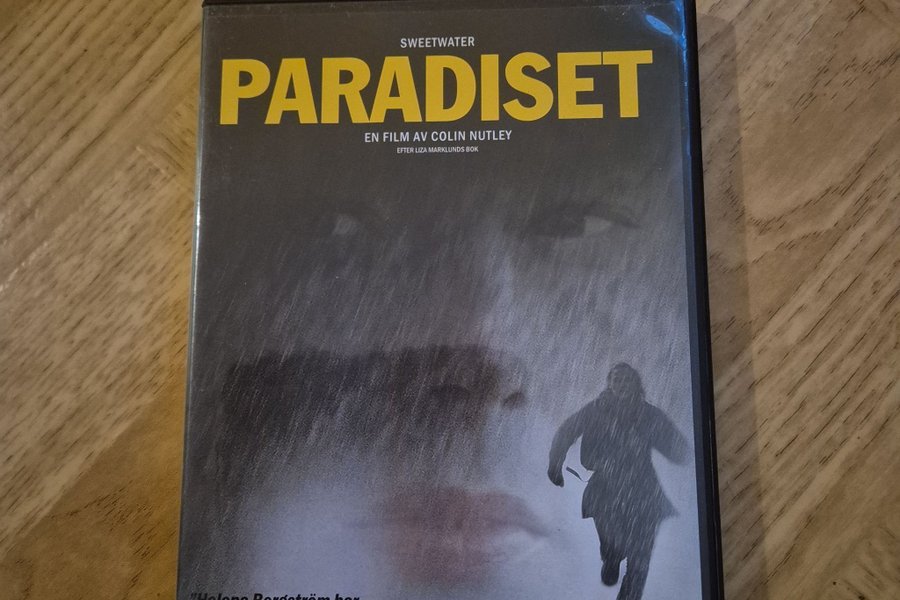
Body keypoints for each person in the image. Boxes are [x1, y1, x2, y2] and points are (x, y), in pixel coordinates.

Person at [548, 363, 690, 599]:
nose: (622, 384)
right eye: (617, 379)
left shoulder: (649, 415)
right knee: (613, 542)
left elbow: (676, 446)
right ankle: (611, 556)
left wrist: (694, 458)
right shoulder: (595, 411)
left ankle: (629, 594)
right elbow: (566, 431)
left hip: (644, 492)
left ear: (636, 384)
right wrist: (555, 463)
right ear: (609, 384)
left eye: (627, 380)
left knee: (640, 558)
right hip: (605, 489)